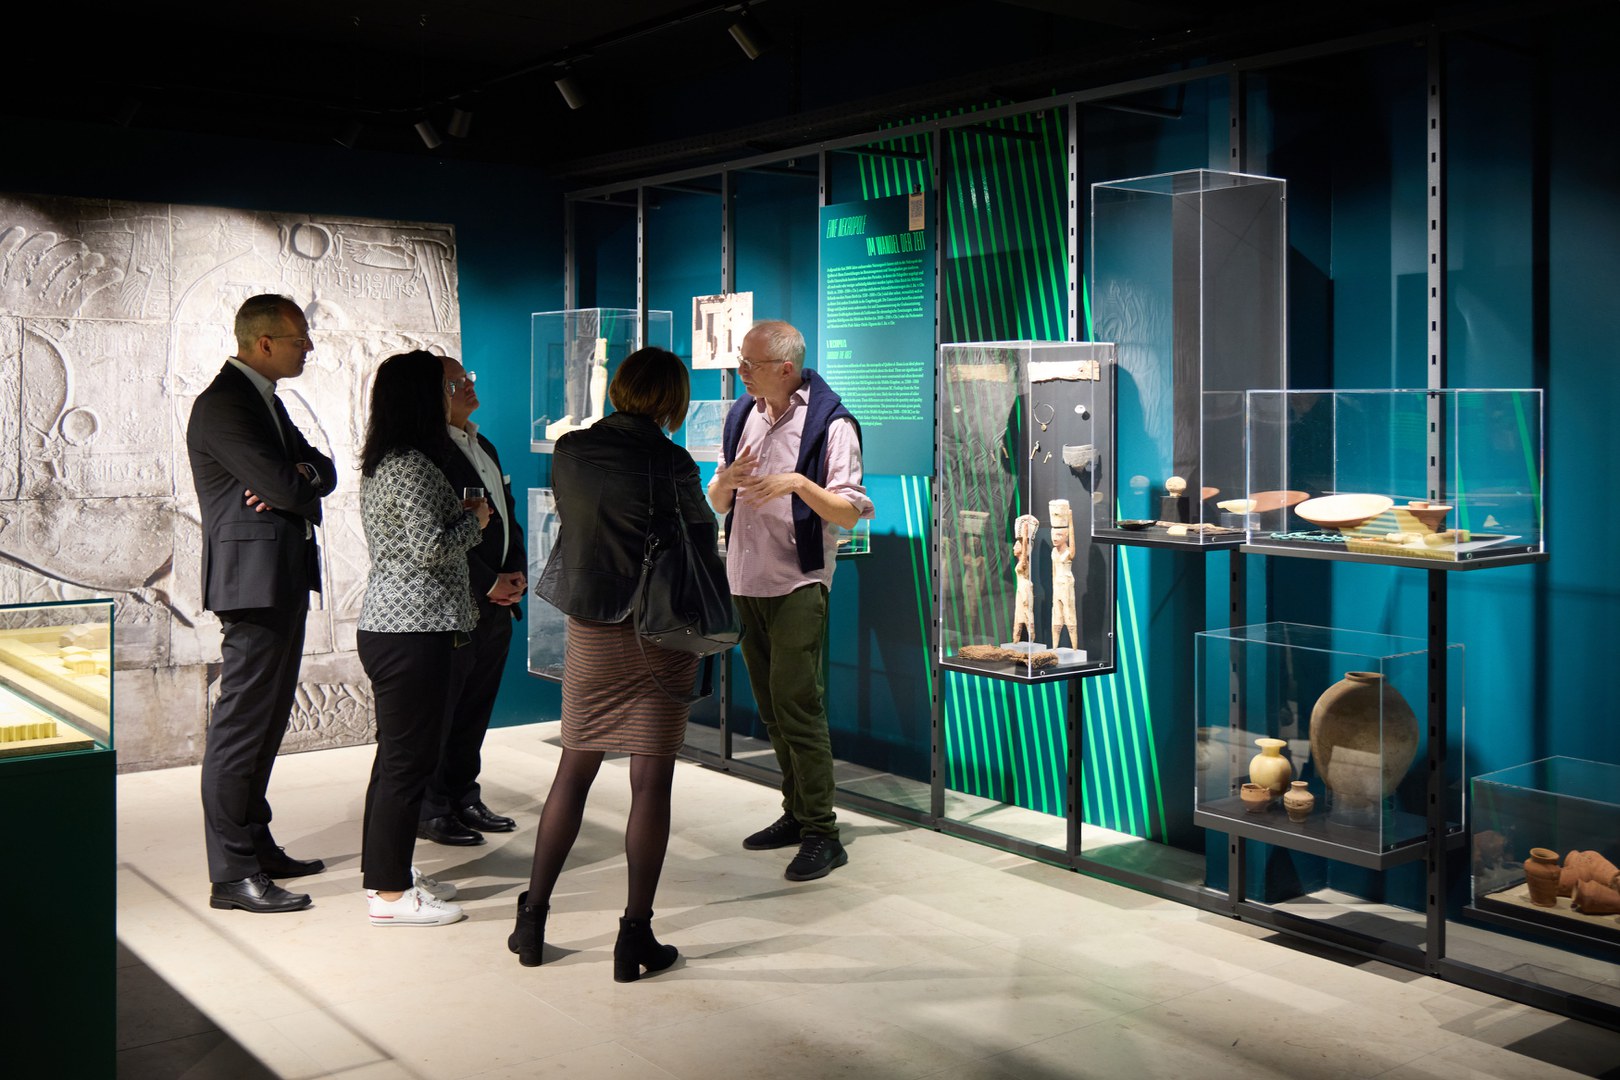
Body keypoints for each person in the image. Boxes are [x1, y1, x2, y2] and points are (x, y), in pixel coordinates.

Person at [515, 346, 713, 981]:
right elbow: (701, 535)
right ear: (671, 400)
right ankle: (634, 940)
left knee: (574, 771)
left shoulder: (571, 451)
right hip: (661, 630)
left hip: (593, 625)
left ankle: (533, 922)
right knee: (651, 783)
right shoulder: (672, 460)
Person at [707, 320, 873, 882]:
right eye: (740, 362)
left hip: (798, 581)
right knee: (773, 709)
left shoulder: (832, 424)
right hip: (745, 578)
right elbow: (715, 498)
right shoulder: (742, 414)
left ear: (785, 367)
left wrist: (797, 485)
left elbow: (850, 512)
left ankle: (823, 831)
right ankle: (796, 813)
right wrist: (726, 480)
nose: (739, 371)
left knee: (798, 706)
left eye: (749, 364)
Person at [188, 294, 336, 914]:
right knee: (241, 728)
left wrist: (297, 480)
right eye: (301, 338)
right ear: (265, 342)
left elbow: (322, 470)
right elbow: (282, 483)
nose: (310, 348)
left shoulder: (264, 400)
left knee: (268, 721)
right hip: (251, 584)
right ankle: (232, 873)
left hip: (278, 577)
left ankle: (256, 843)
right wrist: (292, 481)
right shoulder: (224, 404)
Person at [355, 350, 490, 927]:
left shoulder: (398, 458)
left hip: (412, 626)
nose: (454, 391)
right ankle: (387, 894)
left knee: (398, 762)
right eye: (444, 385)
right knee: (406, 765)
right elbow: (429, 547)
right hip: (412, 628)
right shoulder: (408, 464)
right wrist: (475, 521)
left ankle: (388, 873)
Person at [415, 356, 527, 847]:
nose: (467, 386)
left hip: (498, 599)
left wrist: (516, 570)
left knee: (477, 704)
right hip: (459, 598)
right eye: (454, 382)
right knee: (445, 707)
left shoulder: (484, 444)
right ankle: (431, 806)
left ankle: (463, 794)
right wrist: (487, 581)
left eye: (468, 378)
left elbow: (505, 513)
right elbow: (438, 537)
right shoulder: (429, 455)